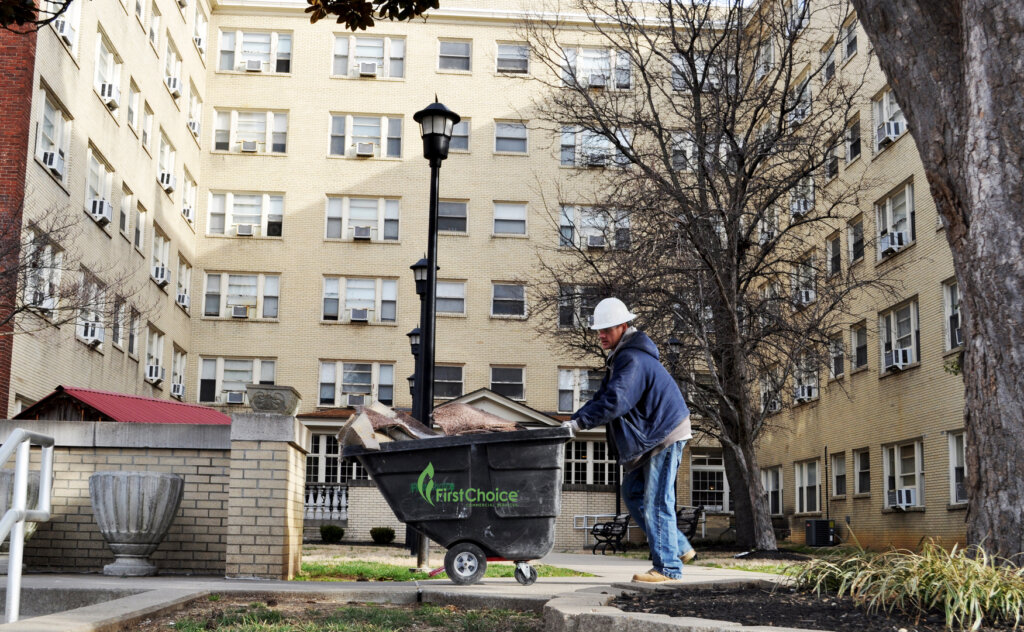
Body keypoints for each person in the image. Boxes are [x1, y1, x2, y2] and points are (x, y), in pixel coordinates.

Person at [563, 297, 695, 583]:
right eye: (598, 330)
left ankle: (668, 568)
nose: (601, 335)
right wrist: (573, 422)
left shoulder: (632, 359)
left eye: (606, 329)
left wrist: (581, 423)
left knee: (657, 500)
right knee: (633, 494)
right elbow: (600, 398)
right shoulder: (621, 357)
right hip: (653, 435)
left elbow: (616, 400)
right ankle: (679, 547)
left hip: (664, 433)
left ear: (623, 326)